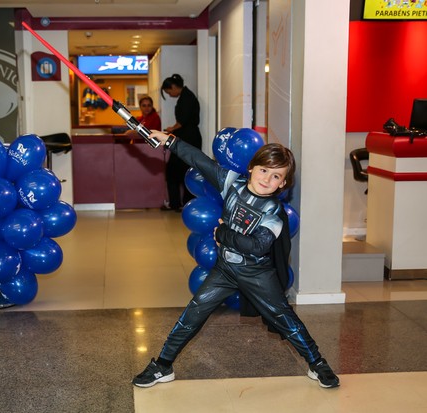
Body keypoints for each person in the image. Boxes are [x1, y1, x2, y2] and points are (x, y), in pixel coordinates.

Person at [132, 131, 340, 390]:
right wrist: (170, 140)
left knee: (285, 319)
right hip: (225, 270)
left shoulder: (274, 213)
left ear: (283, 184)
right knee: (192, 314)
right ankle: (162, 365)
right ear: (251, 168)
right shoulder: (231, 181)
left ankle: (317, 363)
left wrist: (221, 233)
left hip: (257, 274)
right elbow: (198, 160)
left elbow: (256, 245)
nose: (267, 179)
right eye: (264, 170)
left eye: (276, 176)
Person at [160, 74, 202, 212]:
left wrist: (171, 129)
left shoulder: (187, 98)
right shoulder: (186, 96)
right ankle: (177, 203)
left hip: (189, 138)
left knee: (184, 171)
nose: (170, 95)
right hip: (186, 138)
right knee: (176, 171)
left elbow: (182, 121)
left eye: (168, 92)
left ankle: (183, 203)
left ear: (173, 87)